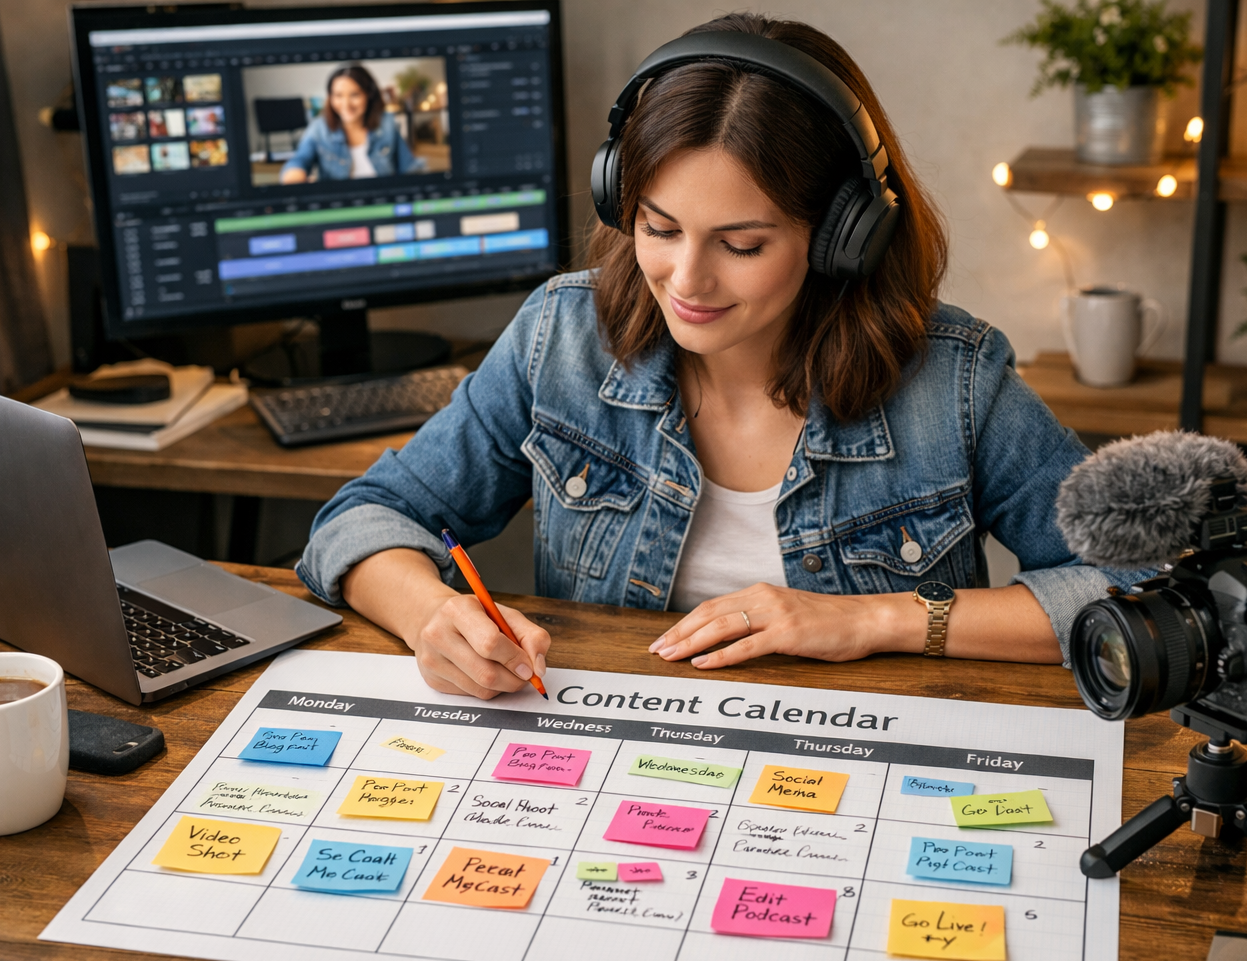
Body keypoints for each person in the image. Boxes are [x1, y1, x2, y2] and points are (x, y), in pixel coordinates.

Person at [296, 14, 1151, 701]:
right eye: (659, 229)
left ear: (844, 236)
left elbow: (1140, 590)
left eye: (741, 244)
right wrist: (432, 616)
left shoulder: (953, 379)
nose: (686, 280)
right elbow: (364, 519)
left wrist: (875, 621)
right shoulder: (562, 334)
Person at [280, 65, 421, 183]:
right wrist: (294, 174)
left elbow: (410, 167)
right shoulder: (319, 128)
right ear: (330, 97)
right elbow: (299, 160)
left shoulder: (386, 123)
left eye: (354, 95)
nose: (346, 105)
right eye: (338, 95)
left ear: (368, 94)